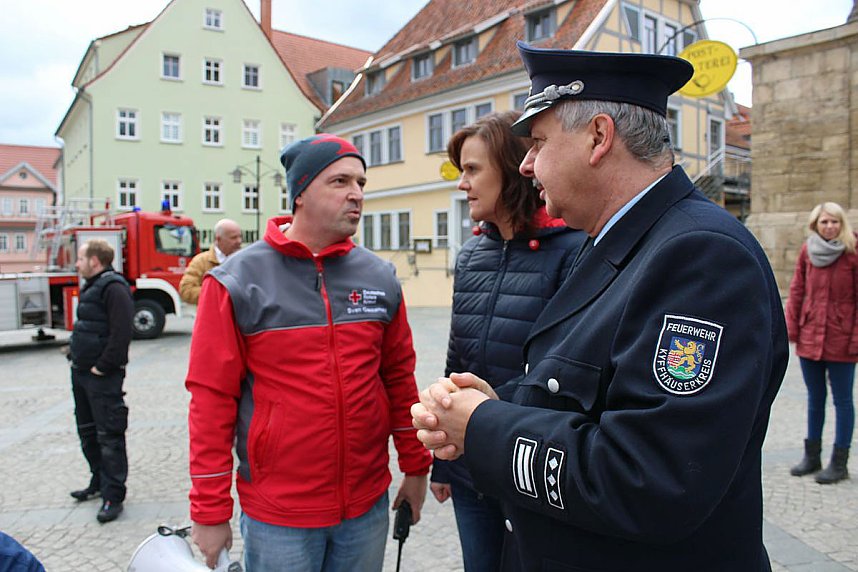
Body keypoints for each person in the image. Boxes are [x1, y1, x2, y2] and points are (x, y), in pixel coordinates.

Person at [412, 42, 788, 571]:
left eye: (538, 142)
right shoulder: (621, 239)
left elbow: (651, 478)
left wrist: (484, 426)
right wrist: (501, 403)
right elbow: (581, 390)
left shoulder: (702, 255)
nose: (526, 164)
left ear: (598, 137)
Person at [186, 134, 431, 571]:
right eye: (340, 181)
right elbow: (211, 401)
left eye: (360, 182)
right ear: (300, 192)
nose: (356, 193)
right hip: (279, 517)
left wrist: (416, 468)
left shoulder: (379, 277)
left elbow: (398, 379)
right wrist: (210, 512)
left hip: (366, 507)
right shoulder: (235, 281)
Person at [430, 110, 585, 572]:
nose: (463, 184)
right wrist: (444, 459)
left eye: (473, 169)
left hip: (528, 466)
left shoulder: (573, 250)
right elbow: (457, 357)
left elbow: (565, 373)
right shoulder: (471, 255)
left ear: (513, 169)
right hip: (468, 467)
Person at [786, 202, 856, 484]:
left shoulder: (852, 253)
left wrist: (855, 339)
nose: (829, 227)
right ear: (815, 225)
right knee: (815, 399)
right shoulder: (808, 251)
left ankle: (839, 462)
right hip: (811, 336)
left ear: (842, 224)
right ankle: (812, 456)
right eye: (824, 222)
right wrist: (792, 329)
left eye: (834, 222)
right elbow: (797, 290)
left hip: (842, 338)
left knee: (843, 401)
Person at [67, 239, 134, 524]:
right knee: (87, 431)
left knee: (109, 436)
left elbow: (121, 333)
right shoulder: (92, 286)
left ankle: (113, 495)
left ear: (95, 261)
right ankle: (98, 481)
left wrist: (101, 367)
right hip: (82, 373)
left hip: (101, 377)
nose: (77, 263)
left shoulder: (114, 287)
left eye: (81, 258)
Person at [179, 218, 242, 304]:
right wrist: (220, 294)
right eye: (233, 238)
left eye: (240, 237)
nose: (239, 241)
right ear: (218, 239)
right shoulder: (201, 261)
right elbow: (186, 291)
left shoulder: (242, 261)